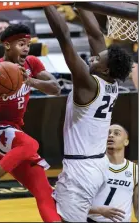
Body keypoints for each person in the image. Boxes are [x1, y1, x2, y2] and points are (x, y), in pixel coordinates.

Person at [0, 24, 61, 222]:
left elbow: (55, 88)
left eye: (28, 44)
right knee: (30, 144)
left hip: (13, 133)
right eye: (21, 44)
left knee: (44, 191)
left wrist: (31, 82)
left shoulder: (32, 64)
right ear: (7, 45)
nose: (26, 48)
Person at [44, 6, 133, 222]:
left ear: (104, 69)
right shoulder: (108, 81)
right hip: (95, 164)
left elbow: (64, 38)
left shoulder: (88, 83)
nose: (92, 59)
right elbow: (95, 34)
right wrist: (82, 4)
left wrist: (46, 3)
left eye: (97, 60)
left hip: (82, 169)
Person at [88, 124, 138, 222]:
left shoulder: (135, 170)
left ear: (126, 141)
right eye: (108, 133)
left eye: (116, 133)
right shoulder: (92, 166)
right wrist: (99, 210)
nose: (110, 135)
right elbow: (75, 205)